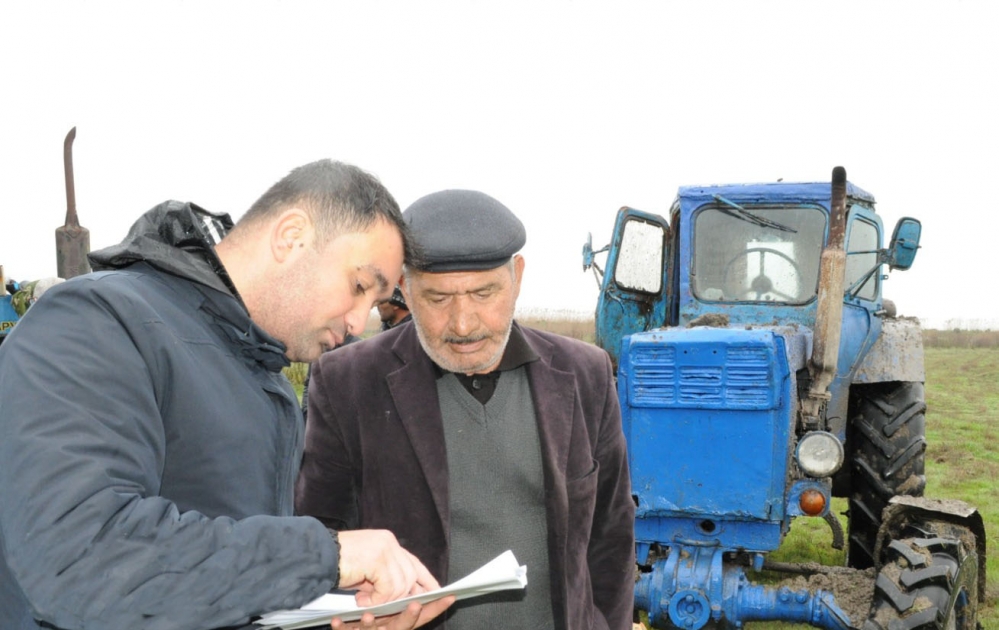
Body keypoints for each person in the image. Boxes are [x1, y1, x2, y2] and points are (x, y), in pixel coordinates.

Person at [0, 159, 453, 630]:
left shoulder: (264, 377)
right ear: (291, 237)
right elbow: (79, 562)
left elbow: (218, 581)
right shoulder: (96, 322)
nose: (360, 322)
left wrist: (341, 607)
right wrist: (328, 556)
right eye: (358, 286)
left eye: (374, 303)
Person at [296, 189, 636, 630]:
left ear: (517, 275)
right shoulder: (348, 382)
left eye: (483, 293)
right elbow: (318, 536)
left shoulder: (584, 373)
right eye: (438, 299)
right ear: (405, 287)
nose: (463, 323)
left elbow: (611, 536)